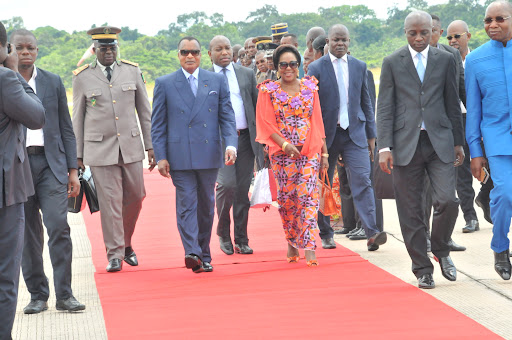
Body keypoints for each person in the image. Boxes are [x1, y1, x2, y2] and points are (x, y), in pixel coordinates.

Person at [377, 11, 464, 289]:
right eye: (412, 33)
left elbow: (453, 102)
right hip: (405, 145)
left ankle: (440, 249)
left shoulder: (446, 59)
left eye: (423, 33)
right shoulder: (392, 62)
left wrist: (458, 141)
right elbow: (386, 107)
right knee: (411, 211)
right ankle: (422, 269)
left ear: (432, 32)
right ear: (405, 32)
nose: (418, 38)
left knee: (448, 201)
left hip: (439, 141)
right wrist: (384, 147)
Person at [10, 29, 85, 314]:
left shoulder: (52, 82)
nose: (26, 53)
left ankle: (65, 295)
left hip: (51, 166)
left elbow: (66, 128)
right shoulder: (6, 82)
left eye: (31, 48)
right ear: (10, 50)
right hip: (18, 167)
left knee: (58, 227)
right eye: (20, 48)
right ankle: (37, 295)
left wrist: (73, 170)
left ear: (38, 51)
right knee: (27, 234)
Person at [72, 26, 155, 272]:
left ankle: (126, 243)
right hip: (99, 150)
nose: (108, 52)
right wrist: (77, 156)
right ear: (94, 50)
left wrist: (151, 147)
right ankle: (115, 254)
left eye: (112, 47)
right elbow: (77, 117)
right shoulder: (82, 76)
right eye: (103, 48)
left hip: (130, 146)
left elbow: (144, 112)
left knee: (136, 197)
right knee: (109, 202)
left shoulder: (132, 71)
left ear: (117, 48)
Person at [151, 36, 237, 273]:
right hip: (179, 155)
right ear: (178, 55)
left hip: (209, 153)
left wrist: (231, 144)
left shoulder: (216, 81)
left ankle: (204, 254)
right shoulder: (165, 83)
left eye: (195, 52)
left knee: (207, 206)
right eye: (184, 52)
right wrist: (160, 156)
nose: (190, 56)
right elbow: (158, 124)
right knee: (187, 204)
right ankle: (192, 252)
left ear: (202, 55)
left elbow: (227, 116)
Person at [308, 24, 386, 251]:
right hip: (326, 137)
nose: (340, 43)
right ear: (328, 42)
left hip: (355, 135)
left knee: (363, 181)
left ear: (349, 42)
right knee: (323, 183)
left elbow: (366, 103)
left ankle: (372, 232)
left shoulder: (359, 67)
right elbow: (312, 107)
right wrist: (317, 140)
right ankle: (326, 233)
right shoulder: (316, 68)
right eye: (336, 40)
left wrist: (372, 137)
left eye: (344, 40)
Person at [256, 44, 328, 266]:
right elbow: (265, 123)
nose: (288, 68)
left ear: (299, 66)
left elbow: (317, 121)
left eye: (293, 64)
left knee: (308, 198)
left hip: (309, 153)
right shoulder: (268, 90)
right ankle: (291, 241)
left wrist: (324, 153)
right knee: (288, 201)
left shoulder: (310, 87)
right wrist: (285, 144)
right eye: (283, 64)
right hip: (282, 155)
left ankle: (309, 247)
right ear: (277, 67)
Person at [0, 21, 46, 340]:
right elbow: (36, 115)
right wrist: (15, 71)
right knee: (5, 274)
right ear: (5, 48)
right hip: (6, 190)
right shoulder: (6, 79)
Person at [465, 0, 512, 280]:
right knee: (505, 194)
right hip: (497, 140)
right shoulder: (476, 59)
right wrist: (475, 151)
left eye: (500, 19)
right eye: (487, 20)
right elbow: (474, 110)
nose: (492, 25)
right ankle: (499, 248)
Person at [208, 35, 264, 255]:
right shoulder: (204, 77)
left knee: (242, 191)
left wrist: (263, 140)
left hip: (245, 139)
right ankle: (223, 232)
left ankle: (241, 238)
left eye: (227, 48)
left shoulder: (246, 74)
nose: (224, 52)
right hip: (220, 142)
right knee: (227, 186)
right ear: (210, 53)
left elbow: (257, 106)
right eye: (218, 49)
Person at [423, 15, 475, 243]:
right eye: (425, 30)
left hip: (449, 129)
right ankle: (426, 235)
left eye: (433, 30)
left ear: (438, 31)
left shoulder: (451, 55)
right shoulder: (407, 59)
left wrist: (475, 120)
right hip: (422, 134)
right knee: (427, 189)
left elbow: (461, 91)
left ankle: (455, 227)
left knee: (454, 180)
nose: (428, 35)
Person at [447, 19, 494, 226]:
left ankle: (485, 196)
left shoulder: (480, 59)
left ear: (468, 36)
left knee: (492, 166)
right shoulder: (445, 61)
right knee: (462, 173)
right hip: (455, 123)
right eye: (449, 37)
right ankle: (470, 217)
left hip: (480, 121)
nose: (453, 40)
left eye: (457, 36)